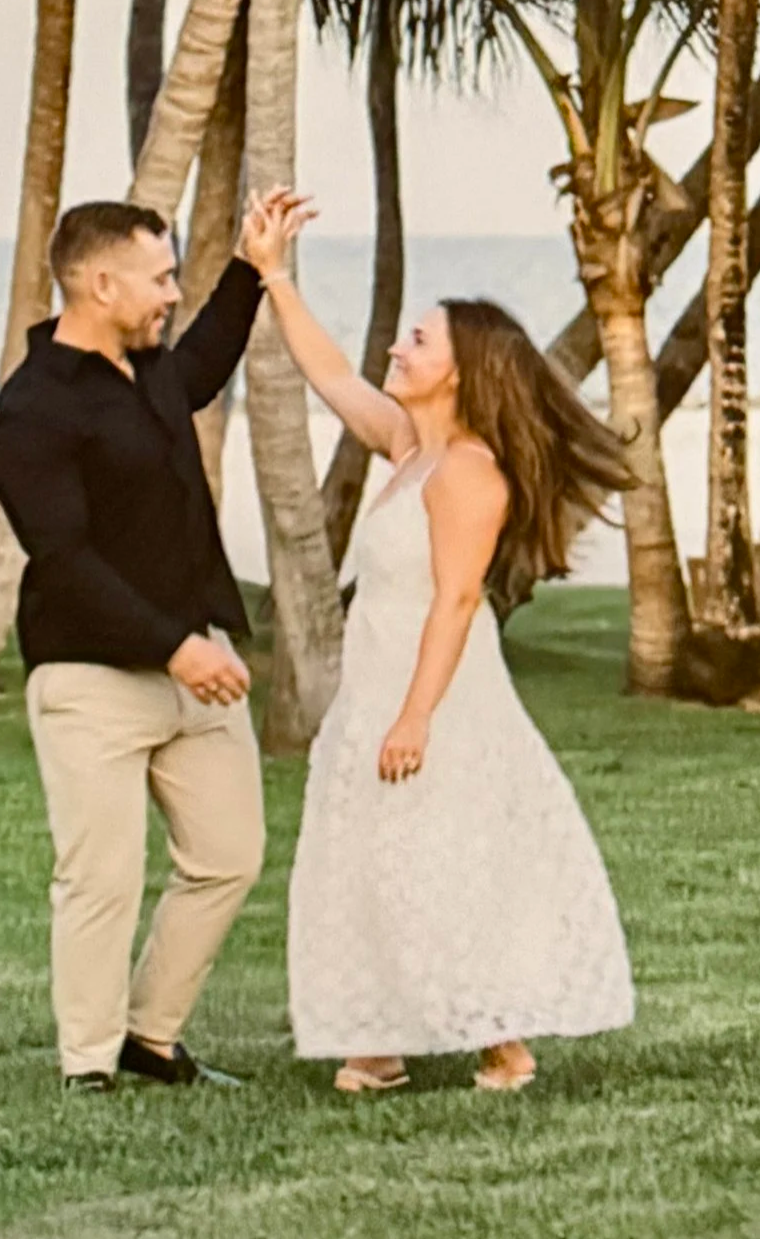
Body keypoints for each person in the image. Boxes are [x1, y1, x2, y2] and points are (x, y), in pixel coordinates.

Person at [242, 190, 637, 1094]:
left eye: (418, 342)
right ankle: (377, 1042)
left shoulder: (467, 473)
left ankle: (502, 1043)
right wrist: (272, 276)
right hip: (376, 684)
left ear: (459, 373)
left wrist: (416, 716)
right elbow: (334, 376)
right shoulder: (407, 450)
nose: (397, 347)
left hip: (440, 695)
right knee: (368, 857)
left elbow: (457, 600)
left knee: (444, 855)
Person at [0, 197, 296, 1093]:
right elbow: (65, 558)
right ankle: (88, 1063)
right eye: (160, 279)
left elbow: (200, 366)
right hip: (89, 678)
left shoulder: (148, 368)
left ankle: (150, 1038)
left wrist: (250, 265)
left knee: (230, 855)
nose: (170, 295)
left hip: (190, 664)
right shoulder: (33, 409)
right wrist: (173, 648)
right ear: (98, 281)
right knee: (101, 879)